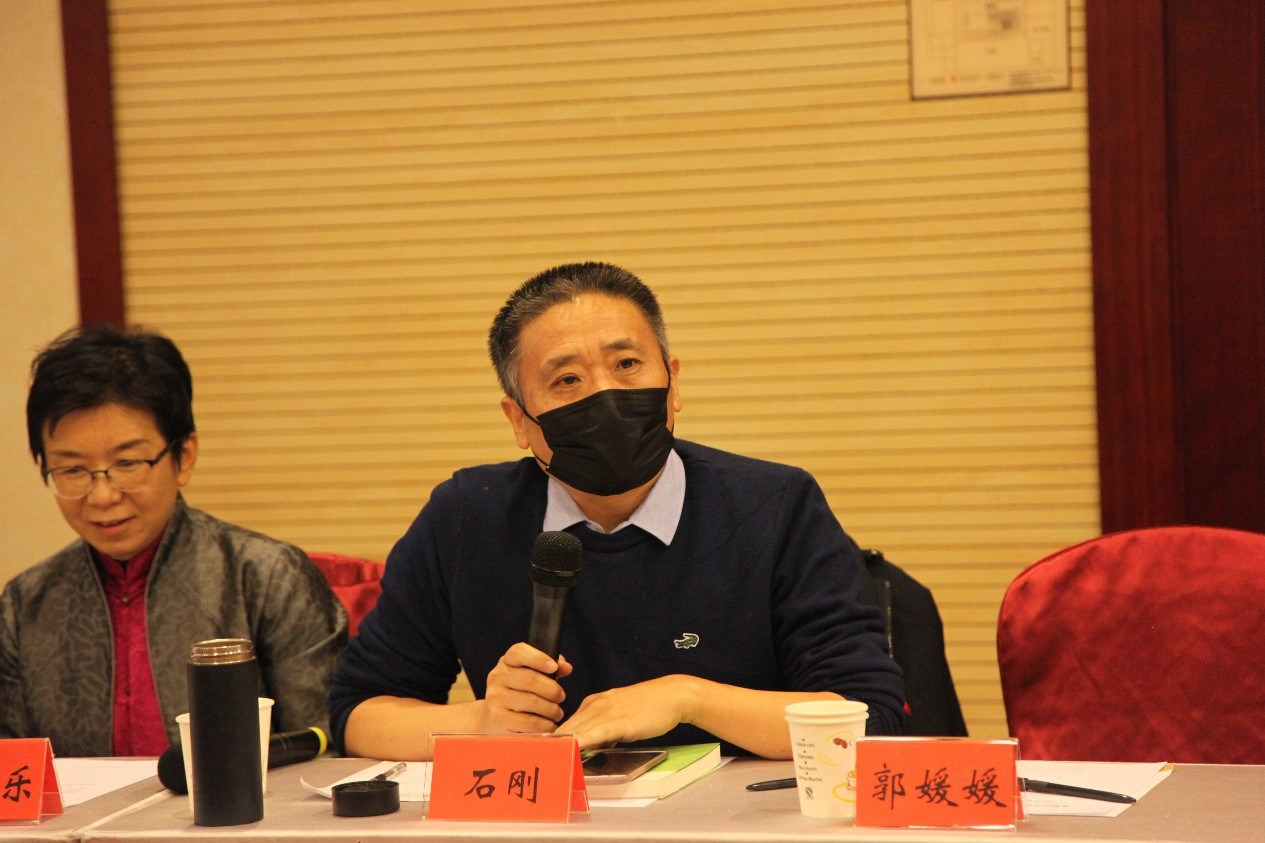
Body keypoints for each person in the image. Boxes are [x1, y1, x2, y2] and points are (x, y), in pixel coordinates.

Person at [330, 262, 904, 759]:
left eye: (627, 365)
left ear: (672, 383)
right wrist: (483, 720)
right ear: (518, 420)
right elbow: (359, 715)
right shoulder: (466, 517)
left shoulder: (775, 506)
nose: (605, 396)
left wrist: (687, 698)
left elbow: (867, 716)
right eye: (567, 379)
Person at [0, 324, 348, 757]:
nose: (102, 496)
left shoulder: (267, 579)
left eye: (128, 463)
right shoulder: (25, 606)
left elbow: (326, 752)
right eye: (72, 470)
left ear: (183, 457)